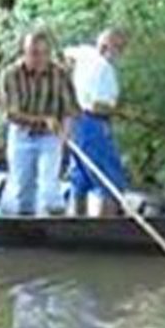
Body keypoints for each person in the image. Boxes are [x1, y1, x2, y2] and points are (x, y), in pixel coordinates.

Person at [0, 30, 78, 216]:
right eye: (34, 53)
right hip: (21, 135)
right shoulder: (12, 75)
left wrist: (65, 133)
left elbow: (70, 110)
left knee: (49, 188)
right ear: (24, 52)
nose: (40, 58)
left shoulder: (60, 74)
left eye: (44, 53)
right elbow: (13, 113)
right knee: (22, 188)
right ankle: (23, 227)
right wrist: (44, 120)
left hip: (50, 138)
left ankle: (55, 226)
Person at [64, 28, 130, 217]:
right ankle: (105, 230)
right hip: (94, 126)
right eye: (119, 48)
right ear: (107, 46)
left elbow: (67, 54)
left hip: (75, 123)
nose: (120, 53)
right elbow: (95, 106)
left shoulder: (85, 53)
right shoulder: (104, 68)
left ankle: (77, 224)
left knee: (80, 177)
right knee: (109, 180)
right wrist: (119, 111)